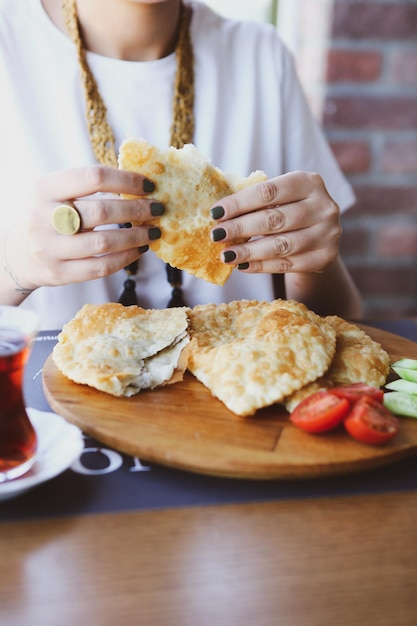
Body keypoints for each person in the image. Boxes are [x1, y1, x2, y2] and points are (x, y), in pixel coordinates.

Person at [0, 0, 362, 330]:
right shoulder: (10, 44)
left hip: (236, 392)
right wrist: (13, 267)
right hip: (45, 397)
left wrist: (308, 265)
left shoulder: (260, 55)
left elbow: (344, 319)